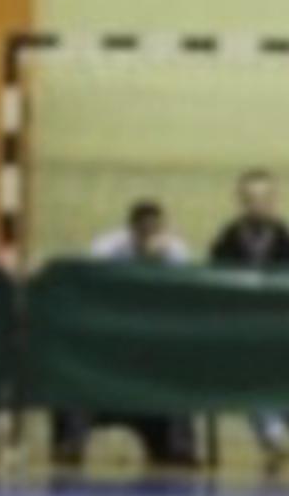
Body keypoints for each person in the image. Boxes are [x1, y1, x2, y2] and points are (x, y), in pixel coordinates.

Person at [59, 200, 199, 467]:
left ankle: (181, 446)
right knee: (76, 372)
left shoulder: (176, 252)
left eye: (155, 230)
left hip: (158, 349)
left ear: (163, 229)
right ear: (131, 230)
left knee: (181, 372)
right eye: (143, 230)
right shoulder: (106, 248)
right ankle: (71, 441)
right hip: (110, 345)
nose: (149, 236)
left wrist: (162, 261)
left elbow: (186, 299)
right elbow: (91, 291)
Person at [207, 168, 289, 464]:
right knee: (249, 372)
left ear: (275, 200)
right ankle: (273, 432)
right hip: (238, 337)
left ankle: (274, 433)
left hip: (283, 334)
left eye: (264, 198)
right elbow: (216, 294)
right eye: (251, 198)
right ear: (241, 201)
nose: (258, 204)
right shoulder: (223, 244)